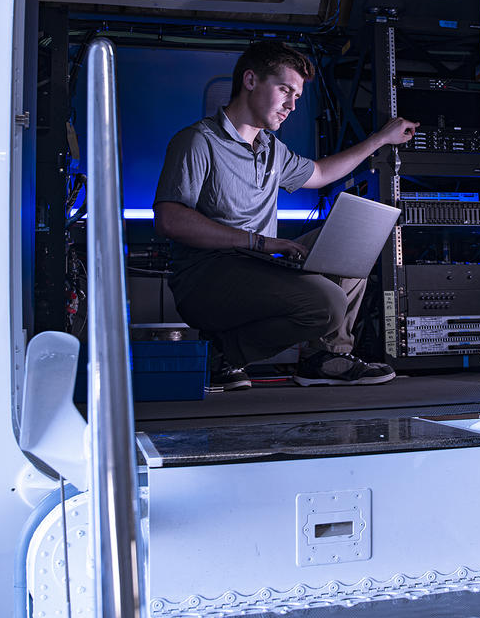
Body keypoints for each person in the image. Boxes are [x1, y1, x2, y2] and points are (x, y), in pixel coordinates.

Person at [153, 40, 418, 389]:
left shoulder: (271, 149)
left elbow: (320, 174)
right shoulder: (198, 141)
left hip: (259, 264)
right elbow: (169, 218)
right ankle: (223, 354)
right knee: (327, 303)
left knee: (350, 245)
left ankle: (322, 358)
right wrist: (259, 243)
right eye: (285, 90)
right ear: (251, 80)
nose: (292, 105)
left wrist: (380, 140)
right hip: (206, 278)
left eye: (297, 95)